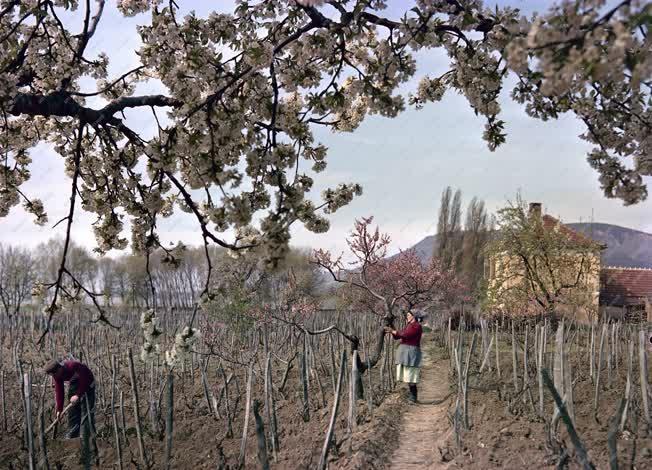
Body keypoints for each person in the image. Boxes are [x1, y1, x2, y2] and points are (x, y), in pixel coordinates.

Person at [43, 359, 96, 439]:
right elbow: (59, 391)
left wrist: (78, 395)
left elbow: (84, 379)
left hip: (88, 383)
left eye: (54, 374)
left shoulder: (73, 366)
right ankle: (73, 435)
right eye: (52, 375)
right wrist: (59, 410)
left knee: (86, 410)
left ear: (59, 369)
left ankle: (87, 435)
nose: (54, 376)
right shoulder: (56, 375)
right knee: (73, 410)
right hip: (74, 382)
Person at [385, 311, 423, 403]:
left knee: (411, 375)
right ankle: (412, 396)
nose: (407, 317)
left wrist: (392, 331)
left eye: (409, 315)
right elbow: (398, 336)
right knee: (408, 375)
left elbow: (405, 335)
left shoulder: (416, 326)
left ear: (414, 316)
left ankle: (413, 397)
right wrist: (392, 329)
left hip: (411, 353)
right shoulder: (409, 326)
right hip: (406, 352)